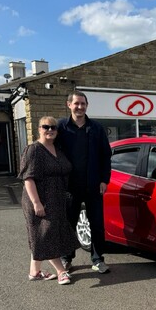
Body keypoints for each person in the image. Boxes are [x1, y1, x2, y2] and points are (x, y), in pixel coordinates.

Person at [19, 116, 80, 285]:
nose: (50, 130)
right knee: (47, 234)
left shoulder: (57, 149)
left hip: (57, 199)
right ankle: (61, 271)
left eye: (53, 127)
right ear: (39, 129)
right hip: (40, 199)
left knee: (41, 235)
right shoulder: (34, 150)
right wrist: (36, 203)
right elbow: (28, 179)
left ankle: (34, 272)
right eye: (46, 127)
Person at [57, 90, 112, 274]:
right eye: (76, 103)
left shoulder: (96, 128)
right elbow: (49, 151)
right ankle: (66, 258)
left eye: (83, 104)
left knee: (97, 224)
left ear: (86, 106)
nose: (80, 107)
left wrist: (105, 179)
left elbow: (106, 155)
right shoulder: (60, 127)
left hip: (94, 185)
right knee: (69, 224)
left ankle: (97, 259)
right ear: (69, 105)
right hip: (70, 187)